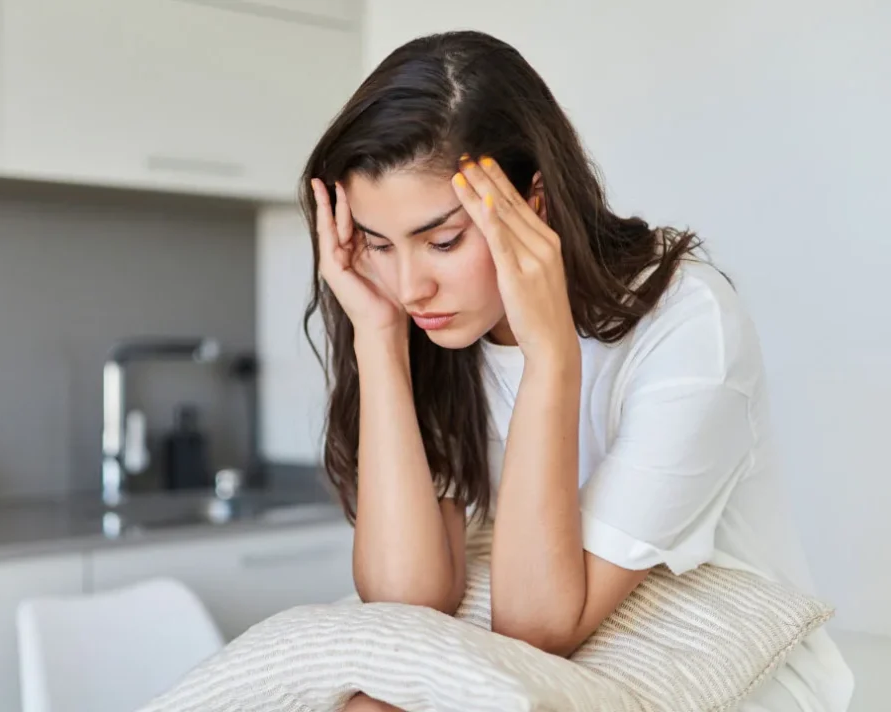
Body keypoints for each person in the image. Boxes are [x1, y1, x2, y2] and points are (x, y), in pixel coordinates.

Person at [298, 30, 853, 712]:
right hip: (554, 627)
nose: (410, 286)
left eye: (442, 242)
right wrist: (378, 341)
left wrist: (551, 356)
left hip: (721, 655)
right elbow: (407, 598)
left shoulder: (686, 324)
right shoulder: (419, 320)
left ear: (533, 202)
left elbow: (537, 624)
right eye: (378, 245)